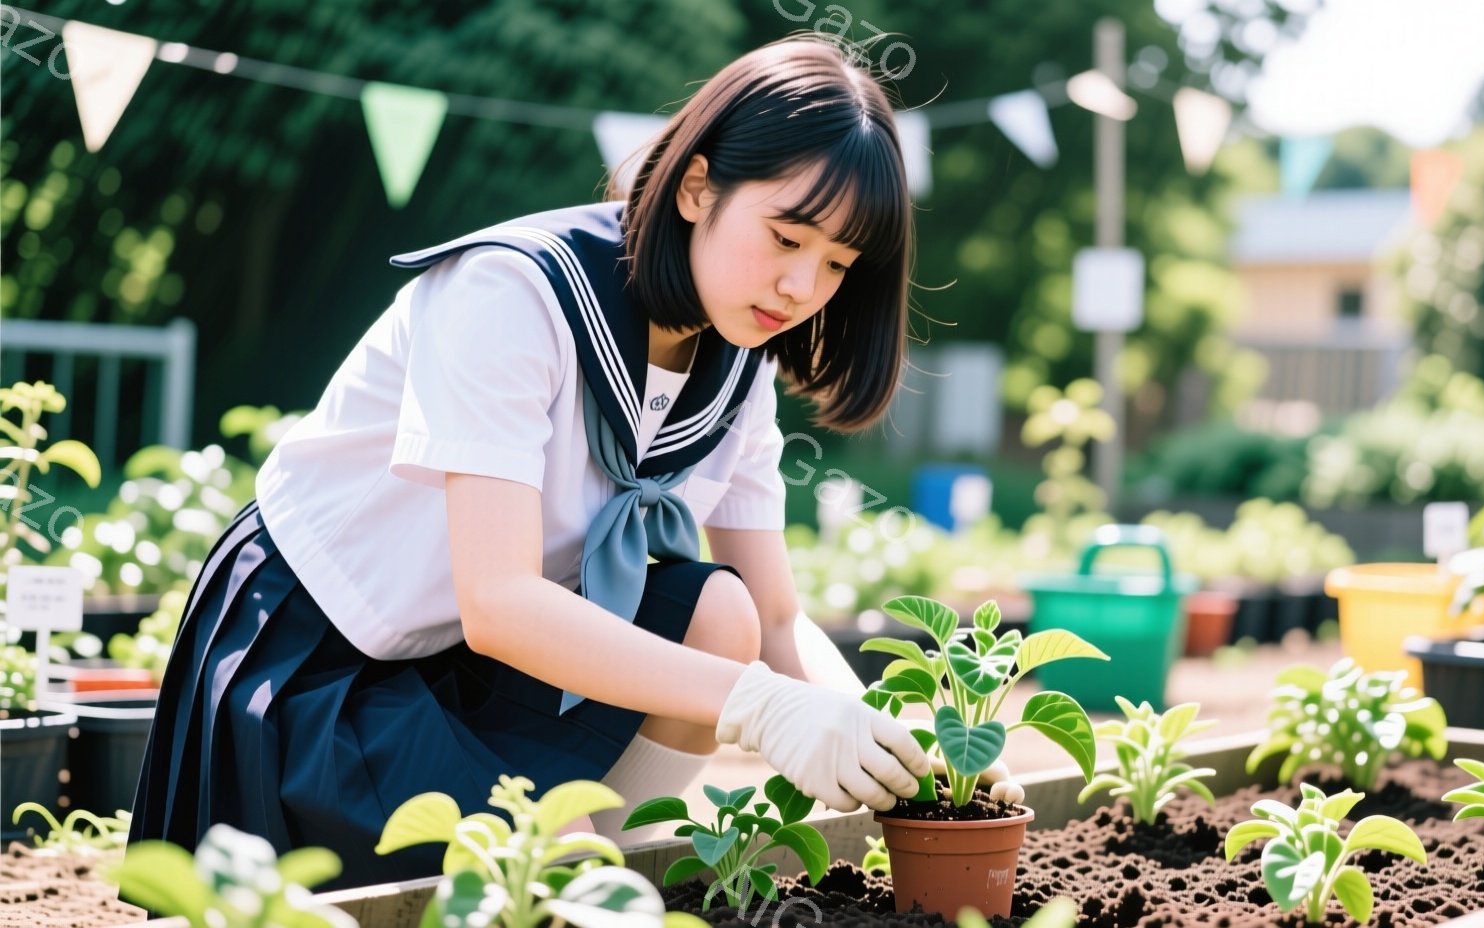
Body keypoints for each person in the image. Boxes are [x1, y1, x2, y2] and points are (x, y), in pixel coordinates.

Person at [128, 36, 1016, 891]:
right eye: (787, 239)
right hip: (323, 660)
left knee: (718, 611)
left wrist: (916, 754)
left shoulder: (738, 360)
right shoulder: (512, 294)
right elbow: (501, 603)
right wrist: (762, 710)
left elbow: (777, 623)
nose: (802, 288)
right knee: (574, 877)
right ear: (699, 187)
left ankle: (603, 855)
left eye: (838, 264)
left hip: (471, 666)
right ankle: (574, 870)